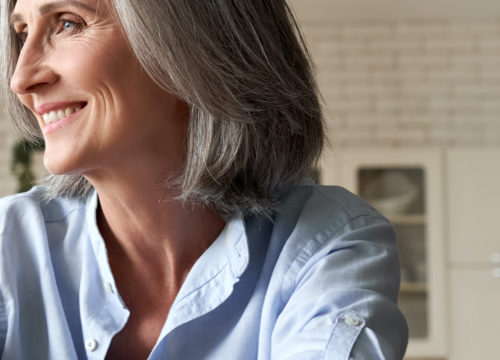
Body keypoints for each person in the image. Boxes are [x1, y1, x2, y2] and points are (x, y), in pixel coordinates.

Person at [0, 0, 408, 359]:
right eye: (22, 32)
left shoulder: (327, 244)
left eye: (67, 23)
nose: (22, 78)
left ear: (191, 42)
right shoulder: (7, 246)